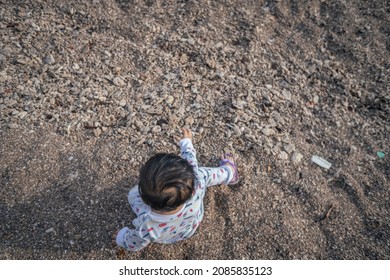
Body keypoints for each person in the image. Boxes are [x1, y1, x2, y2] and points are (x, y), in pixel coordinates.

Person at [115, 128, 239, 251]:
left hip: (166, 235)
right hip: (189, 228)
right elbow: (190, 158)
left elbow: (133, 243)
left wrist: (121, 237)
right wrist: (186, 142)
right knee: (203, 174)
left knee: (132, 195)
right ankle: (230, 173)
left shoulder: (148, 227)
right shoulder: (196, 181)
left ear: (146, 201)